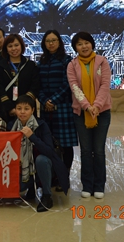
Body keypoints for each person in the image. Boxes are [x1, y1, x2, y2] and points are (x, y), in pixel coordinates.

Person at [67, 32, 112, 199]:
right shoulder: (72, 65)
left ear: (92, 44)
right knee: (86, 150)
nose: (84, 46)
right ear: (75, 48)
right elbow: (74, 87)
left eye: (86, 42)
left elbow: (105, 85)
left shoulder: (102, 61)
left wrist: (97, 106)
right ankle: (87, 185)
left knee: (98, 150)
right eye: (79, 44)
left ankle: (99, 185)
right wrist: (87, 106)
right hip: (81, 113)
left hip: (102, 112)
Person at [9, 95, 69, 212]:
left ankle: (47, 196)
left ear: (32, 110)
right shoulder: (11, 126)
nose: (22, 112)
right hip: (22, 168)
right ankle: (31, 187)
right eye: (19, 108)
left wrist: (32, 136)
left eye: (26, 109)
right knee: (19, 188)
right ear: (15, 110)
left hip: (45, 166)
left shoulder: (41, 125)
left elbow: (49, 151)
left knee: (41, 159)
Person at [38, 30, 77, 175]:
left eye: (54, 40)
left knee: (65, 145)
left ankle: (64, 176)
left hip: (63, 107)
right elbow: (37, 85)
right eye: (48, 41)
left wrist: (53, 101)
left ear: (59, 42)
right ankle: (53, 175)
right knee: (49, 143)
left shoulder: (67, 60)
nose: (51, 43)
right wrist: (44, 100)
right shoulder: (41, 62)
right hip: (45, 108)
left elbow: (68, 84)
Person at [0, 34, 39, 124]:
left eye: (16, 45)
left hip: (27, 109)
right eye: (10, 46)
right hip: (5, 110)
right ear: (6, 49)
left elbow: (35, 86)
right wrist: (10, 108)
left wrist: (22, 108)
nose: (14, 48)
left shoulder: (31, 65)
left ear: (22, 46)